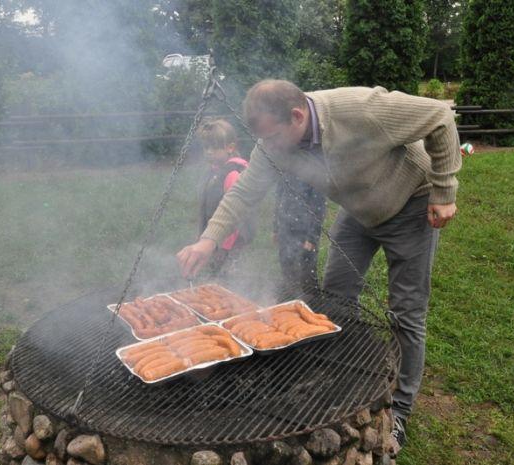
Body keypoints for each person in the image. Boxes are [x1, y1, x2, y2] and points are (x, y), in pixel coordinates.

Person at [177, 79, 461, 453]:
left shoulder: (360, 109)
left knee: (405, 313)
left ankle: (401, 411)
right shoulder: (273, 143)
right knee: (336, 298)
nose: (270, 147)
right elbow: (244, 191)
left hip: (411, 202)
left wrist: (444, 190)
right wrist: (208, 239)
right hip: (358, 211)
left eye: (274, 137)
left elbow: (440, 117)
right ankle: (345, 375)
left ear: (297, 116)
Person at [196, 119, 255, 277]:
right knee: (216, 273)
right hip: (216, 238)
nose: (209, 151)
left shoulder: (232, 173)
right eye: (206, 147)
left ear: (230, 147)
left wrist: (225, 246)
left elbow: (237, 213)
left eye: (214, 147)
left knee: (229, 276)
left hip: (231, 240)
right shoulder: (214, 170)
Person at [273, 174, 325, 301]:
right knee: (287, 267)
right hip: (285, 230)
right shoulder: (284, 172)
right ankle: (291, 298)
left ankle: (313, 303)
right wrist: (275, 228)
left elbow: (318, 208)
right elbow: (278, 202)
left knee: (306, 273)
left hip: (304, 233)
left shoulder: (312, 173)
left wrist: (312, 238)